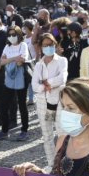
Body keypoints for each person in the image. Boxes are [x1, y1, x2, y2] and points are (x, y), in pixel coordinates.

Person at [32, 33, 68, 167]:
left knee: (62, 133)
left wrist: (46, 83)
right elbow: (35, 86)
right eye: (45, 45)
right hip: (43, 102)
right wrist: (49, 85)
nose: (49, 47)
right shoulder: (38, 65)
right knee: (47, 135)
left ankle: (63, 163)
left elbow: (62, 79)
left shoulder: (62, 61)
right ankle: (51, 164)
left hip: (58, 101)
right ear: (41, 47)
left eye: (51, 44)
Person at [0, 25, 31, 141]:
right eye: (9, 35)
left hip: (21, 77)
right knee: (4, 104)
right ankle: (4, 130)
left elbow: (22, 60)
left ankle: (24, 130)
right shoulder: (7, 46)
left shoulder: (23, 45)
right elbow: (2, 61)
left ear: (19, 35)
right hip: (9, 77)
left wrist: (8, 60)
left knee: (22, 104)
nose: (11, 37)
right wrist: (14, 58)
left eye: (14, 34)